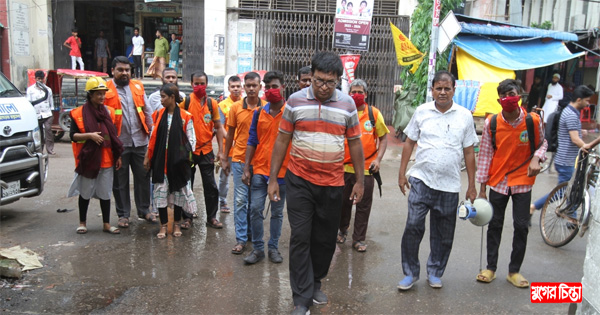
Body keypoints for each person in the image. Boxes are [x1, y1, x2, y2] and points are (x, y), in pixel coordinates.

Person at [267, 52, 365, 314]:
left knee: (324, 239)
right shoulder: (295, 101)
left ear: (338, 81)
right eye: (319, 81)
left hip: (333, 183)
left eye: (330, 83)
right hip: (300, 180)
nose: (323, 87)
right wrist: (274, 178)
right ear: (311, 76)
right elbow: (282, 140)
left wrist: (360, 180)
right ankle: (301, 299)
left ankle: (316, 281)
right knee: (300, 236)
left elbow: (355, 142)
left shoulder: (347, 105)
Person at [397, 70, 477, 291]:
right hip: (421, 180)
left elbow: (469, 152)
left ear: (454, 90)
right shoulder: (422, 112)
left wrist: (472, 185)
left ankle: (435, 272)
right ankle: (410, 273)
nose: (442, 92)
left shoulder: (464, 116)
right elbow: (409, 142)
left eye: (447, 88)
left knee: (443, 234)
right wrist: (402, 173)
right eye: (438, 88)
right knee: (413, 226)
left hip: (449, 184)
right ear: (432, 90)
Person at [475, 79, 547, 288]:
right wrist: (481, 188)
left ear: (521, 95)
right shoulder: (492, 123)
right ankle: (490, 268)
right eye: (504, 95)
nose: (509, 98)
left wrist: (537, 158)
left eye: (512, 93)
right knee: (494, 225)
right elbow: (486, 155)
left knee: (521, 226)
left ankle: (514, 271)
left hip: (523, 182)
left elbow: (543, 144)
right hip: (498, 182)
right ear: (500, 100)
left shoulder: (533, 121)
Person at [242, 71, 289, 265]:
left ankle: (273, 248)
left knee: (277, 212)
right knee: (254, 209)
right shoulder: (259, 113)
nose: (271, 90)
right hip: (260, 170)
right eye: (268, 87)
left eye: (275, 86)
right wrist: (246, 167)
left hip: (282, 173)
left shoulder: (290, 113)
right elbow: (252, 140)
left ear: (283, 87)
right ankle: (258, 249)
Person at [337, 79, 389, 252]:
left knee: (363, 205)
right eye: (353, 92)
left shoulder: (374, 114)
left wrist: (378, 159)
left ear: (366, 94)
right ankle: (342, 230)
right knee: (342, 202)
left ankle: (359, 239)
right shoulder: (343, 112)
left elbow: (383, 138)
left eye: (360, 92)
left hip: (367, 169)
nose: (356, 95)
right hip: (344, 168)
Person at [68, 77, 123, 234]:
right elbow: (72, 136)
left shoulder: (109, 112)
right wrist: (90, 136)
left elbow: (114, 138)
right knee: (85, 193)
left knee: (106, 193)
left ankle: (106, 224)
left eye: (103, 94)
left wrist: (118, 156)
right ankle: (82, 223)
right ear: (90, 95)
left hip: (107, 160)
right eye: (98, 94)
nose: (102, 97)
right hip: (88, 161)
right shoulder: (78, 113)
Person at [105, 56, 155, 228]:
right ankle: (123, 214)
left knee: (143, 177)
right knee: (120, 181)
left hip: (140, 140)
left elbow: (147, 111)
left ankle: (144, 210)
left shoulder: (138, 86)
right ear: (113, 71)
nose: (124, 73)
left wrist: (152, 136)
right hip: (119, 143)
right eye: (120, 70)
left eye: (127, 70)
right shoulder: (105, 88)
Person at [144, 83, 197, 239]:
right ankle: (163, 226)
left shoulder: (185, 116)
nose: (161, 100)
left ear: (172, 97)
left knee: (179, 193)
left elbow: (191, 140)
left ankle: (177, 225)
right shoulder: (159, 115)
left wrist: (181, 155)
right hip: (161, 162)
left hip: (178, 163)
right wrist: (148, 157)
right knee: (160, 194)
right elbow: (153, 137)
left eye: (163, 96)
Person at [221, 72, 266, 255]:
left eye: (254, 85)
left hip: (260, 162)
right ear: (244, 87)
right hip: (239, 159)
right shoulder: (235, 108)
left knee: (255, 204)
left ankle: (252, 235)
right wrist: (225, 157)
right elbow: (230, 134)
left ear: (260, 87)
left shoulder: (266, 108)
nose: (251, 88)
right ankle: (241, 239)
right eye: (248, 85)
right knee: (240, 200)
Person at [531, 85, 594, 212]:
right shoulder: (571, 114)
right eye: (586, 100)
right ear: (579, 100)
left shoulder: (569, 111)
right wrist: (587, 147)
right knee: (563, 191)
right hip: (566, 160)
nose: (588, 104)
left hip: (565, 158)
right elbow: (575, 139)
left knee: (570, 189)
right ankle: (534, 206)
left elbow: (569, 131)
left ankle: (572, 216)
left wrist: (581, 131)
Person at [179, 70, 224, 230]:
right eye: (196, 83)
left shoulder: (212, 104)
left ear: (206, 84)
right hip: (189, 152)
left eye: (202, 83)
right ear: (191, 84)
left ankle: (211, 217)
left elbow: (218, 127)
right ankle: (187, 217)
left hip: (206, 151)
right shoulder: (185, 102)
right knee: (187, 184)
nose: (199, 86)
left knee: (210, 185)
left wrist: (221, 151)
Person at [217, 76, 243, 214]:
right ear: (228, 88)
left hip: (243, 149)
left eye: (238, 86)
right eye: (233, 86)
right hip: (229, 148)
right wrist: (222, 150)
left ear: (241, 87)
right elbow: (221, 127)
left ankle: (240, 202)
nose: (236, 89)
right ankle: (222, 200)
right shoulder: (222, 105)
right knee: (224, 177)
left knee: (242, 177)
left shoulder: (246, 103)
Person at [26, 70, 55, 155]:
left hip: (47, 114)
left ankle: (50, 149)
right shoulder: (30, 90)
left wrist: (52, 113)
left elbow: (51, 102)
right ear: (35, 79)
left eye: (42, 79)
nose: (40, 80)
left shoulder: (48, 90)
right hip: (37, 115)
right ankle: (40, 150)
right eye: (39, 78)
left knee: (48, 130)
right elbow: (29, 102)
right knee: (39, 133)